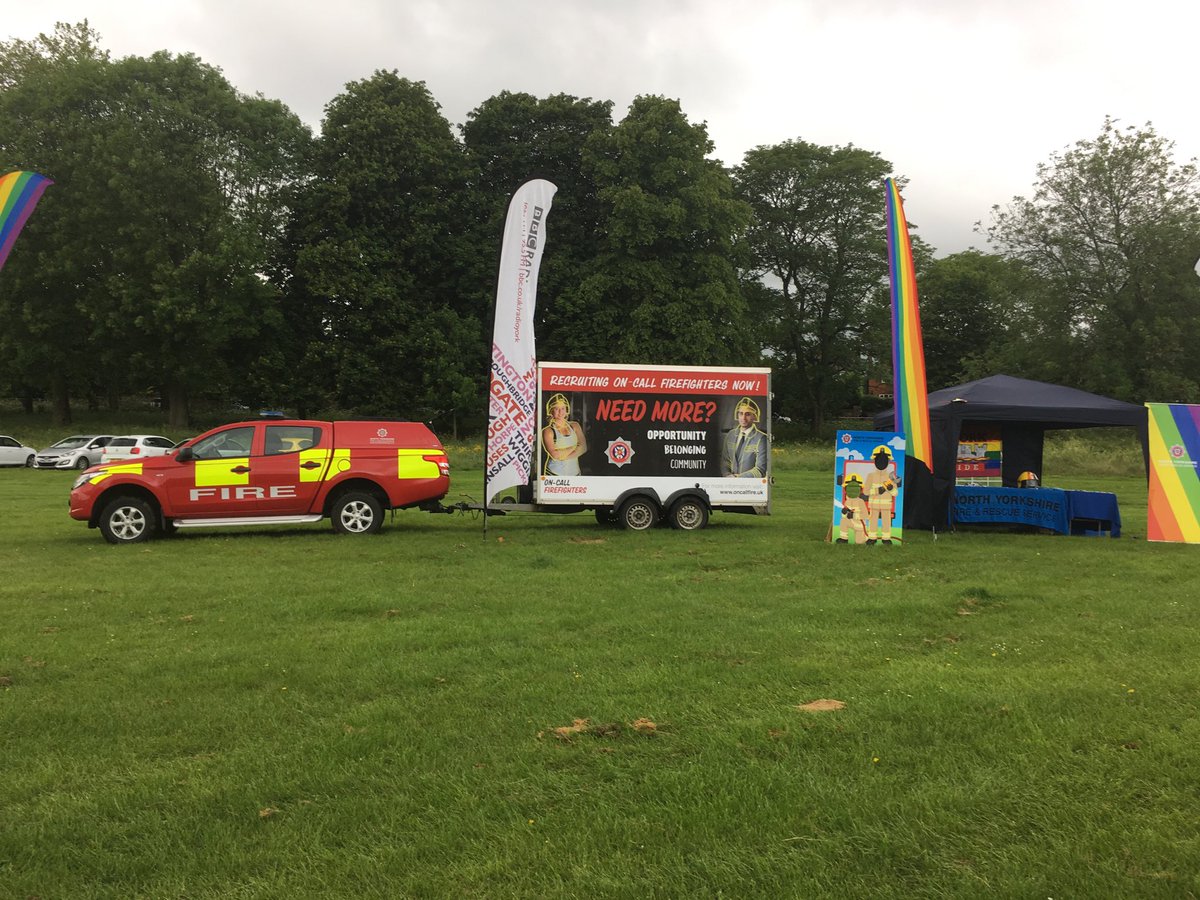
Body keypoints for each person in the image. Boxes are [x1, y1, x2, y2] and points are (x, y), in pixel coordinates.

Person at [862, 444, 901, 545]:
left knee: (886, 522)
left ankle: (886, 538)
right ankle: (872, 538)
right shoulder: (870, 476)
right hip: (873, 504)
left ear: (888, 461)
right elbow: (865, 492)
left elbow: (896, 493)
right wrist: (877, 491)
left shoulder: (891, 477)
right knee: (873, 521)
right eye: (879, 459)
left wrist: (890, 488)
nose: (881, 462)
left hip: (886, 505)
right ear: (874, 460)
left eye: (884, 459)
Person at [722, 397, 768, 478]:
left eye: (748, 414)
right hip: (729, 484)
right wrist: (727, 475)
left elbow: (761, 469)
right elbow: (725, 460)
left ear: (754, 416)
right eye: (741, 413)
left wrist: (739, 478)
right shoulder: (731, 435)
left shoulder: (761, 438)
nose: (743, 418)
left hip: (751, 486)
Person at [541, 393, 587, 476]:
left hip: (575, 474)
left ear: (566, 410)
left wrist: (564, 456)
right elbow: (555, 455)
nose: (560, 412)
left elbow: (583, 447)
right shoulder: (548, 431)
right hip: (554, 474)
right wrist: (574, 447)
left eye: (563, 408)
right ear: (551, 411)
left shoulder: (575, 426)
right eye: (556, 409)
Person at [835, 473, 869, 544]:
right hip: (851, 523)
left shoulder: (860, 502)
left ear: (860, 489)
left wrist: (854, 515)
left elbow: (865, 515)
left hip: (860, 525)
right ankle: (844, 539)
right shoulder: (847, 501)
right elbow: (845, 516)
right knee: (843, 521)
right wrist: (844, 513)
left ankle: (866, 538)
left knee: (859, 542)